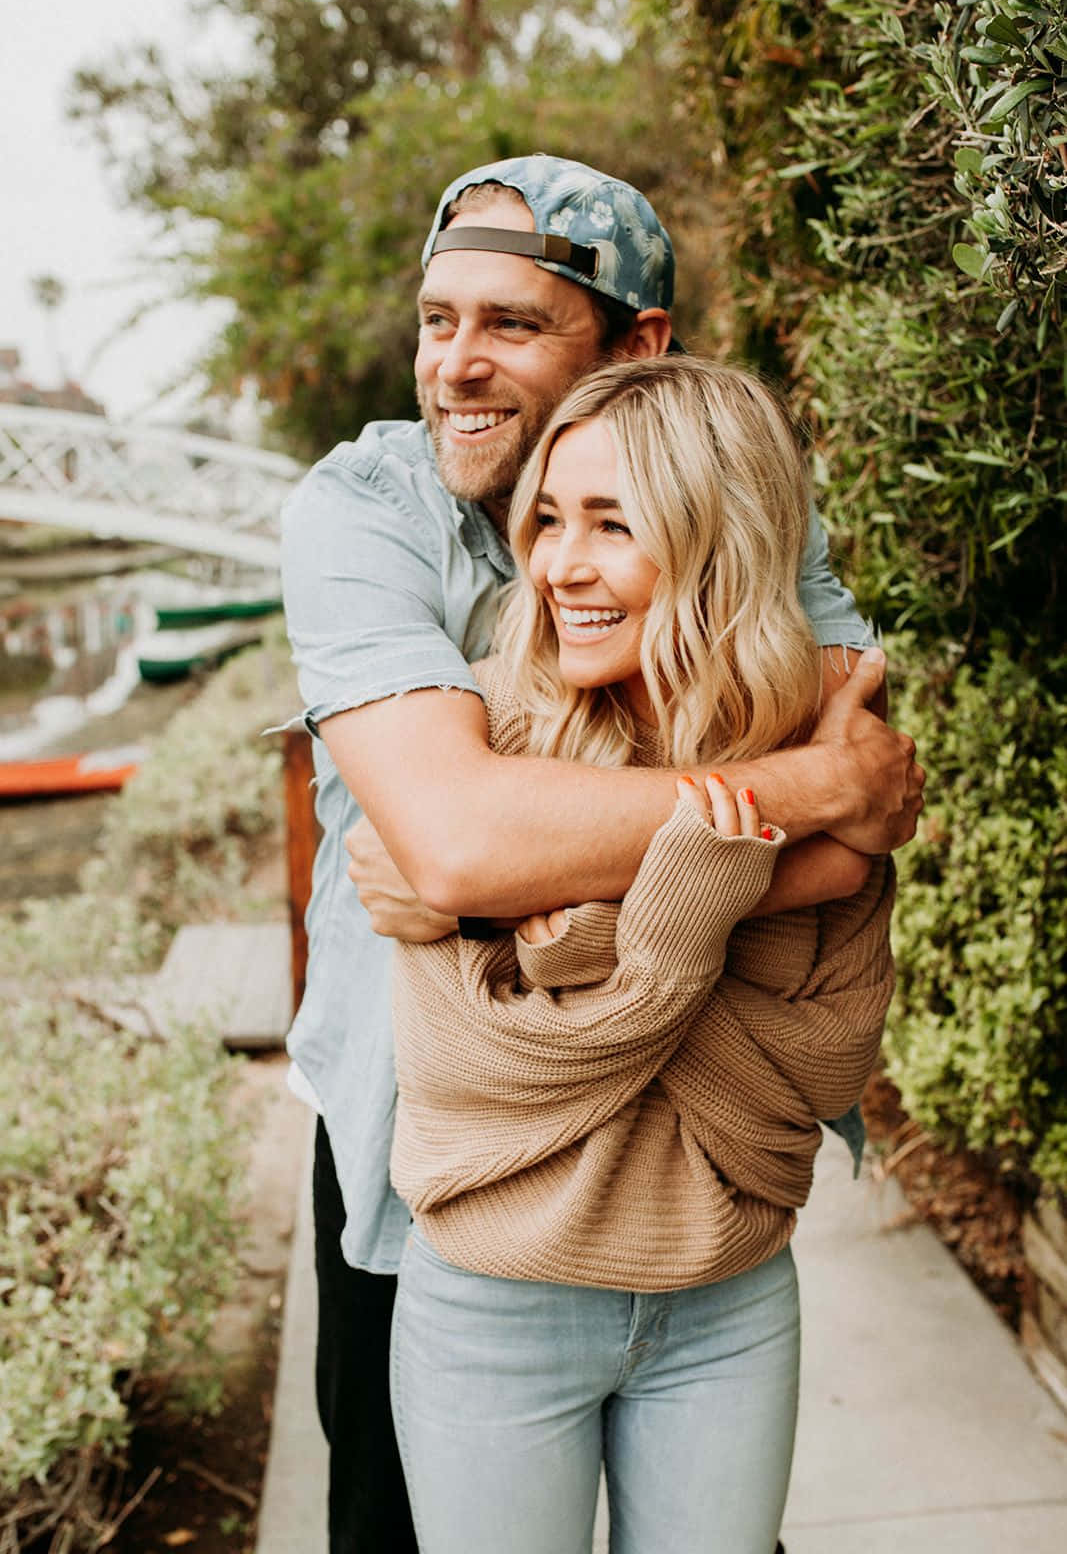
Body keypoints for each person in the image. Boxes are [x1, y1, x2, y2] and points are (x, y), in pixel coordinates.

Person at [279, 154, 924, 1552]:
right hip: (427, 1161)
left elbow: (867, 829)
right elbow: (449, 847)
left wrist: (516, 901)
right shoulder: (365, 507)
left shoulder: (740, 498)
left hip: (692, 1170)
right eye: (436, 318)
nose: (455, 364)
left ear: (635, 347)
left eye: (511, 324)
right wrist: (795, 786)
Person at [387, 356, 896, 1553]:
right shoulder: (473, 753)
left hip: (727, 1297)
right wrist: (702, 923)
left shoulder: (815, 740)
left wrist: (596, 942)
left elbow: (822, 1070)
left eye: (611, 524)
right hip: (493, 1308)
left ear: (718, 539)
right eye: (549, 518)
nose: (559, 565)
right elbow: (475, 1081)